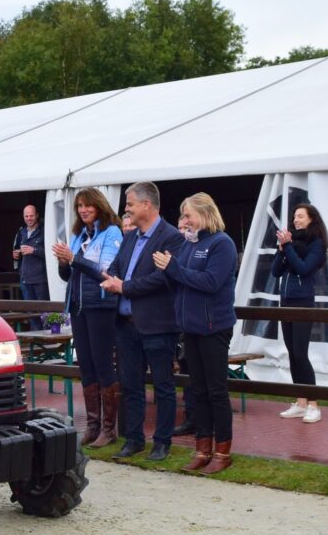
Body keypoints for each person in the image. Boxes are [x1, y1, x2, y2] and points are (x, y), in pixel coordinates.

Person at [153, 193, 238, 474]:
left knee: (216, 391)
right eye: (183, 216)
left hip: (214, 327)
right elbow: (180, 282)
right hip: (190, 328)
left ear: (204, 213)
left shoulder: (221, 244)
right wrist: (167, 271)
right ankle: (203, 448)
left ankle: (223, 452)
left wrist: (174, 268)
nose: (184, 221)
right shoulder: (190, 245)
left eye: (188, 215)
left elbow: (211, 282)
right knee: (197, 391)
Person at [99, 181, 182, 461]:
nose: (127, 209)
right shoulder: (131, 237)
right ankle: (133, 439)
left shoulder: (171, 237)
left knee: (163, 386)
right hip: (125, 325)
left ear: (147, 205)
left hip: (157, 325)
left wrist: (125, 287)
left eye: (131, 204)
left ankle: (162, 442)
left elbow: (163, 278)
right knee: (131, 386)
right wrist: (111, 279)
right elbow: (116, 267)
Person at [52, 188, 123, 447]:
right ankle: (93, 425)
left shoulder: (111, 232)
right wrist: (63, 262)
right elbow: (68, 275)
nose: (83, 210)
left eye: (87, 206)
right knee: (86, 365)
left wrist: (74, 258)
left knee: (103, 363)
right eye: (79, 206)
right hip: (78, 305)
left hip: (100, 305)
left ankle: (109, 427)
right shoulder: (80, 234)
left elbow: (104, 272)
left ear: (99, 207)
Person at [271, 203, 328, 423]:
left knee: (300, 353)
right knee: (291, 353)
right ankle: (301, 401)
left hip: (302, 302)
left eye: (300, 216)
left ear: (312, 219)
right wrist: (282, 249)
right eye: (294, 216)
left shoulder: (317, 244)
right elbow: (276, 271)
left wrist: (289, 248)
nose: (296, 220)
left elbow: (304, 269)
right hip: (285, 303)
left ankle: (314, 404)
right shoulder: (290, 242)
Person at [14, 204, 48, 329]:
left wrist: (34, 250)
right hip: (25, 279)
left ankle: (47, 343)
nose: (29, 218)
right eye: (26, 216)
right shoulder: (21, 232)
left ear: (37, 215)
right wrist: (16, 254)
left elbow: (51, 253)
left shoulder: (44, 231)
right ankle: (36, 340)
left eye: (31, 215)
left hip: (40, 279)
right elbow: (18, 250)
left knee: (43, 313)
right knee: (31, 314)